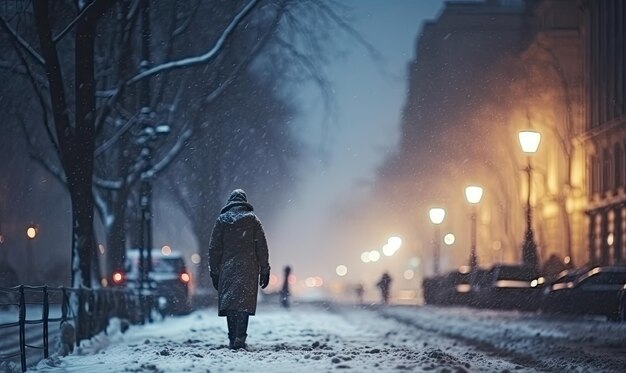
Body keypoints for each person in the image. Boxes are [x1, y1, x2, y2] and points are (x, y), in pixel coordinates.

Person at [209, 189, 270, 350]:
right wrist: (264, 269)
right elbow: (262, 247)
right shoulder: (253, 221)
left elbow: (214, 248)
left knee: (230, 303)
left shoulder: (221, 221)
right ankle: (240, 338)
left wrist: (214, 271)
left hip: (227, 268)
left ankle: (232, 337)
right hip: (248, 269)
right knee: (244, 304)